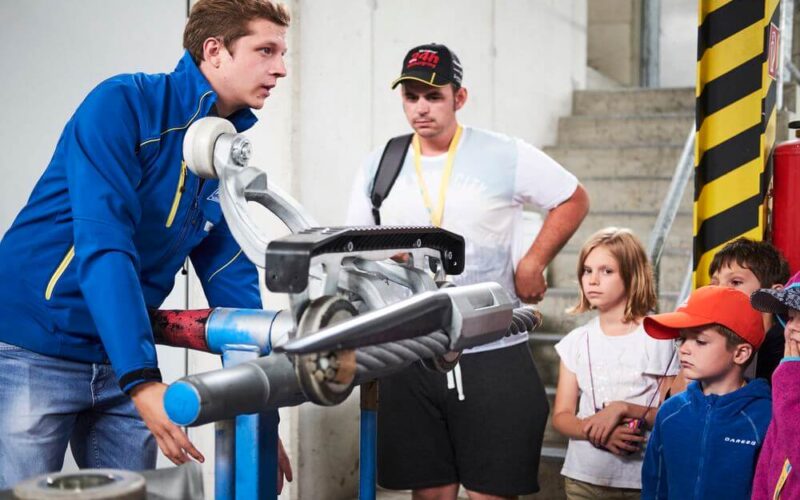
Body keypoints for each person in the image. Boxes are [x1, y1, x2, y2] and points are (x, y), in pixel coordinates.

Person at [0, 0, 292, 490]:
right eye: (266, 51)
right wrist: (142, 380)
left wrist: (260, 414)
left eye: (282, 54)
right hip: (35, 345)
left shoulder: (217, 148)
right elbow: (104, 245)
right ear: (214, 51)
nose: (280, 68)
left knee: (131, 496)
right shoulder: (122, 105)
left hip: (120, 356)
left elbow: (231, 276)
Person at [346, 43, 589, 499]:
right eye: (411, 96)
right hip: (412, 351)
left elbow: (572, 198)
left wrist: (533, 262)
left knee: (491, 491)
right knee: (430, 492)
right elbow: (357, 247)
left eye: (433, 96)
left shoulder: (504, 153)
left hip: (490, 346)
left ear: (459, 97)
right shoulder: (381, 163)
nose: (421, 108)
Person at [552, 227, 677, 499]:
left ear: (632, 276)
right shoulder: (576, 341)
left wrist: (622, 409)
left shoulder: (657, 336)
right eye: (587, 270)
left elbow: (672, 413)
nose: (593, 280)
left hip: (641, 480)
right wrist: (599, 433)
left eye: (607, 271)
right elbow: (561, 416)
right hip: (583, 478)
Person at [641, 286, 772, 500]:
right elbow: (654, 487)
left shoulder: (767, 418)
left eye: (700, 341)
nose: (684, 349)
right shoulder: (670, 412)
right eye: (681, 339)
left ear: (740, 353)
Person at [708, 237, 790, 381]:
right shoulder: (712, 339)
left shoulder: (787, 347)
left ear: (774, 293)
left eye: (735, 282)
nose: (720, 291)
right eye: (714, 285)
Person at [750, 271, 800, 499]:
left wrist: (789, 380)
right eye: (790, 317)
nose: (793, 328)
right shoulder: (789, 388)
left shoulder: (788, 384)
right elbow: (766, 472)